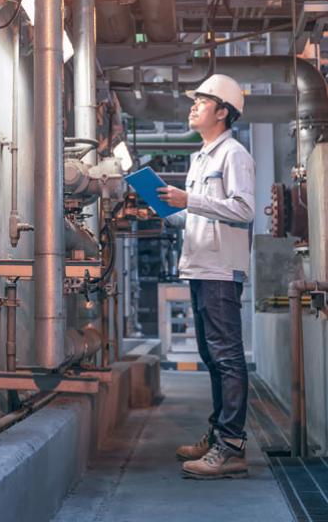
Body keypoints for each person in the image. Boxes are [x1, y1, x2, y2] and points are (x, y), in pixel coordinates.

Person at [157, 74, 255, 480]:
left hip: (220, 270)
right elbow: (198, 214)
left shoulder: (233, 154)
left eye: (202, 100)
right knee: (213, 357)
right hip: (200, 267)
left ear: (223, 111)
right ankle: (219, 436)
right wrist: (166, 211)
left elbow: (244, 209)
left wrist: (190, 199)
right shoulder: (201, 157)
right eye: (194, 100)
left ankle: (231, 447)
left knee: (227, 358)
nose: (193, 106)